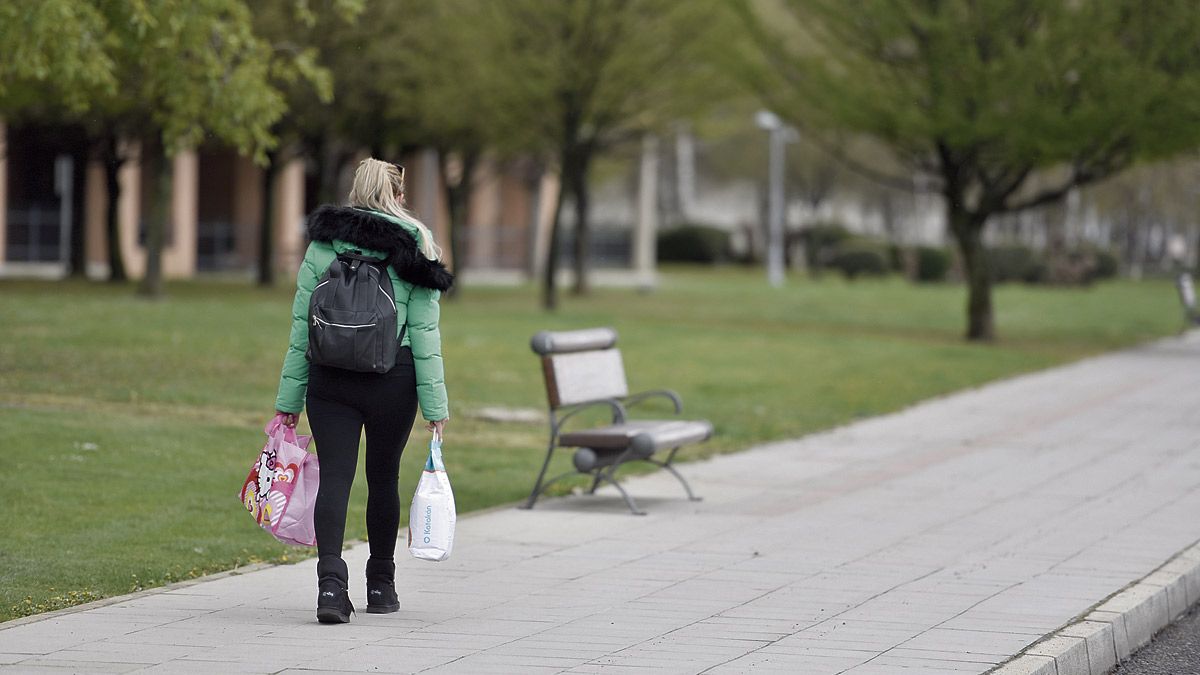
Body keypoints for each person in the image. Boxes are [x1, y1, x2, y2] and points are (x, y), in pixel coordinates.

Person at [273, 158, 453, 623]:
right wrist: (436, 407)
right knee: (383, 477)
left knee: (335, 477)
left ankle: (331, 588)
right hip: (393, 377)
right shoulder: (416, 245)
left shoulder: (322, 244)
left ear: (355, 188)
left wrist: (288, 403)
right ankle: (381, 584)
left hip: (328, 376)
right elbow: (425, 335)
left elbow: (300, 328)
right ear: (398, 191)